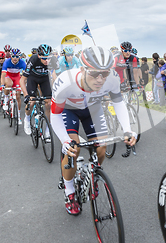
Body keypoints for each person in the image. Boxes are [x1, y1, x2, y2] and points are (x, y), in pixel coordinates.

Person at [50, 46, 137, 215]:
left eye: (104, 73)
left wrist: (127, 129)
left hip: (93, 109)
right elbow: (55, 115)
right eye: (95, 73)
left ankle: (92, 176)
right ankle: (69, 193)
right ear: (82, 69)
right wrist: (65, 141)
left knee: (102, 147)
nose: (100, 79)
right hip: (69, 110)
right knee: (73, 150)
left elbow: (118, 103)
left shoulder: (112, 78)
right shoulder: (65, 82)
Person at [22, 44, 53, 136]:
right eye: (44, 58)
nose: (46, 60)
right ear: (39, 55)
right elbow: (22, 79)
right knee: (31, 102)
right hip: (33, 78)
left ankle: (48, 128)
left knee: (49, 103)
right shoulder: (33, 59)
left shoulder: (53, 61)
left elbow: (55, 76)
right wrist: (26, 95)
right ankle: (27, 119)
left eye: (48, 58)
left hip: (45, 79)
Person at [0, 49, 26, 124]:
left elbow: (26, 75)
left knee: (18, 97)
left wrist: (24, 85)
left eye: (17, 56)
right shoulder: (7, 62)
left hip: (17, 77)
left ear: (19, 57)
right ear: (11, 56)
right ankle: (6, 98)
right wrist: (2, 85)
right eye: (13, 56)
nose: (15, 58)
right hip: (8, 76)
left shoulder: (22, 63)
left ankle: (18, 116)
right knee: (9, 84)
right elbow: (3, 75)